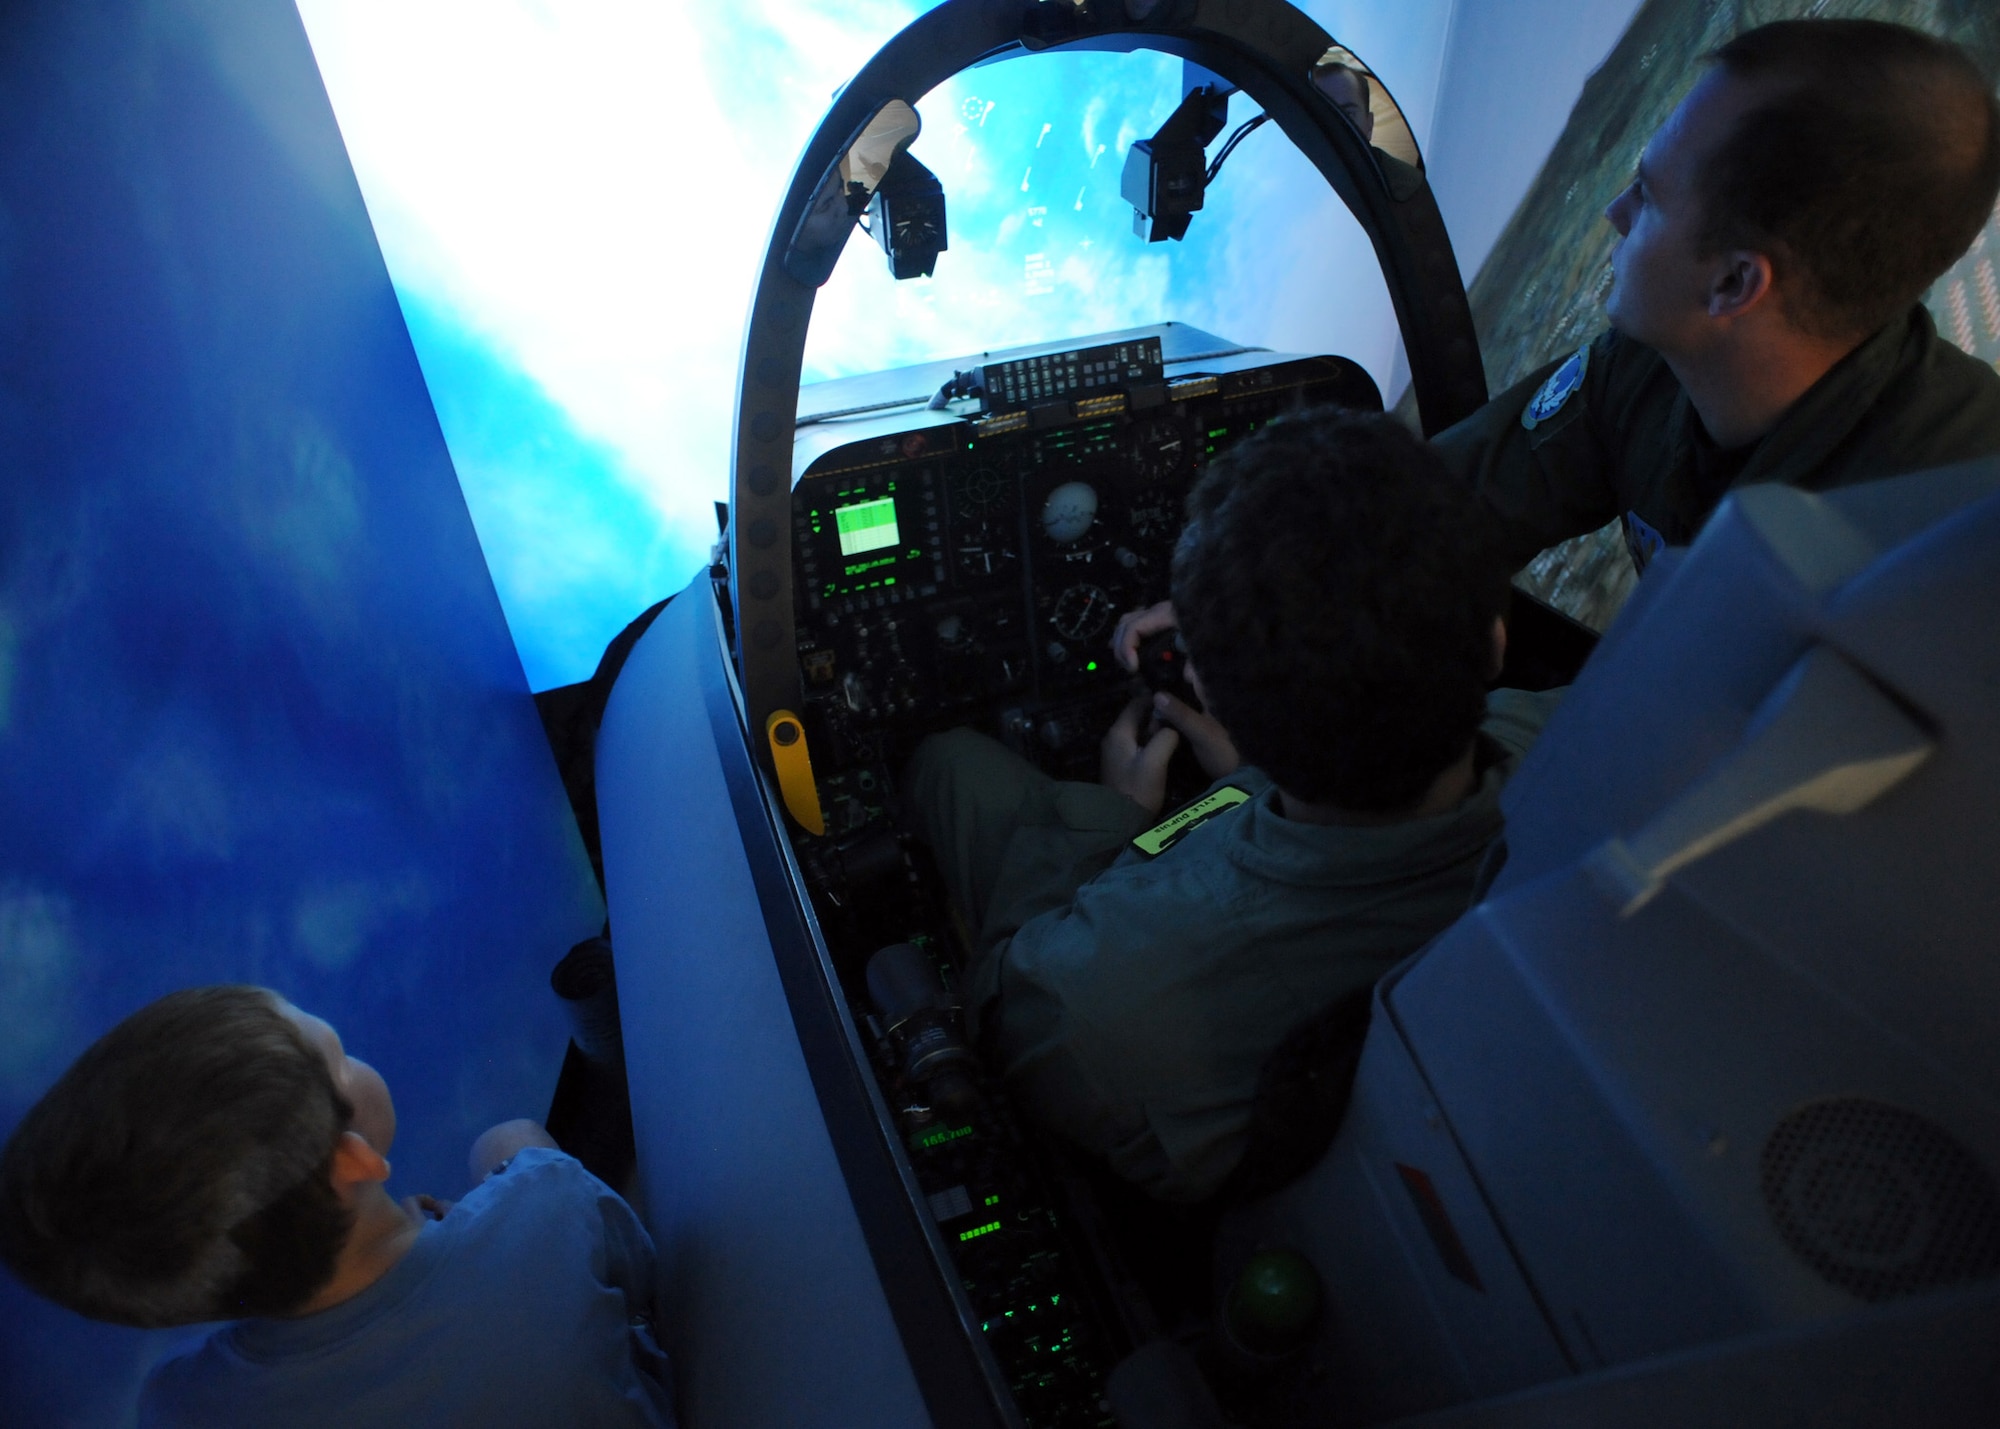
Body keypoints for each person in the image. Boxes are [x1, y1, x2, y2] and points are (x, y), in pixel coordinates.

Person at [905, 411, 1559, 1203]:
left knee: (950, 763)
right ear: (1493, 640)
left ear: (1213, 696)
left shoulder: (1096, 1007)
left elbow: (1002, 1007)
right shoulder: (1578, 727)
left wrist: (1109, 819)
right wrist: (1251, 763)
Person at [1437, 19, 2000, 576]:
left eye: (1649, 198)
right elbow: (1432, 510)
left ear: (1732, 285)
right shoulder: (1646, 367)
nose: (1615, 213)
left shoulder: (1947, 549)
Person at [0, 986, 675, 1428]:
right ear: (350, 1160)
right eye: (340, 1055)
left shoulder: (181, 1406)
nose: (353, 1055)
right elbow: (648, 1274)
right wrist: (514, 1163)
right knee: (506, 1137)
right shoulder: (544, 1208)